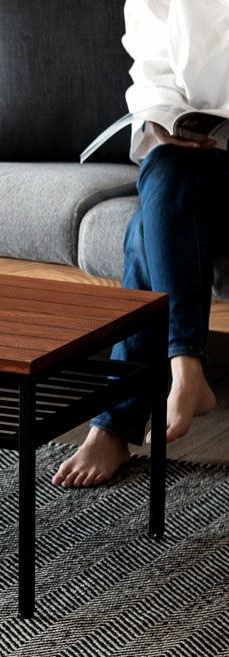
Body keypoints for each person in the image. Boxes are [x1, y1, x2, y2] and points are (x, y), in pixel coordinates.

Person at [53, 0, 229, 489]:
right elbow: (152, 67)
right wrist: (160, 122)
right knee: (165, 170)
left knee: (146, 231)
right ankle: (185, 367)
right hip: (200, 167)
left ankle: (115, 424)